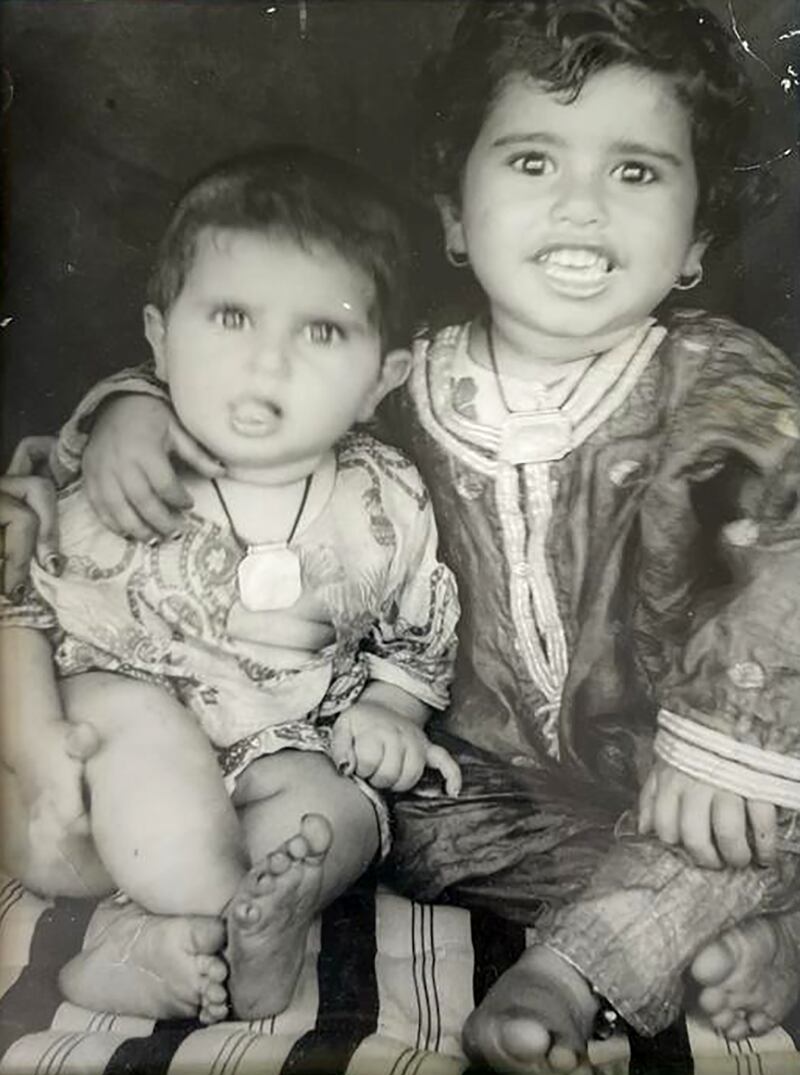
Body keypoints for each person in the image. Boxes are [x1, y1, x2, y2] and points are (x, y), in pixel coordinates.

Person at [6, 0, 800, 1068]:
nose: (579, 206)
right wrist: (128, 407)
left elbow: (790, 542)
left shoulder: (718, 379)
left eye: (635, 173)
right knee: (379, 815)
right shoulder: (400, 373)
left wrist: (728, 746)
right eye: (530, 162)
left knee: (765, 816)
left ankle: (566, 973)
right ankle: (718, 927)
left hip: (689, 768)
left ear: (697, 238)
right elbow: (255, 401)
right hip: (480, 790)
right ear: (454, 217)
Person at [0, 145, 461, 1024]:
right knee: (151, 746)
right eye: (231, 318)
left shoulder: (387, 496)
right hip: (101, 740)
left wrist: (394, 709)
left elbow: (417, 622)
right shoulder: (130, 447)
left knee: (344, 811)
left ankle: (196, 933)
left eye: (320, 331)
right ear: (159, 337)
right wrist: (117, 413)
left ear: (382, 380)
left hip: (273, 740)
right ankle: (214, 911)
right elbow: (38, 494)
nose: (267, 364)